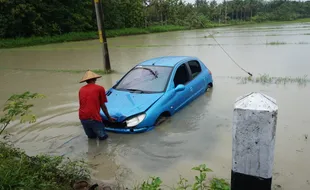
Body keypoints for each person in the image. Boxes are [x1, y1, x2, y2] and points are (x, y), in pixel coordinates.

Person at [78, 70, 115, 140]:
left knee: (91, 138)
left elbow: (82, 103)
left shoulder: (81, 89)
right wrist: (109, 117)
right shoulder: (100, 88)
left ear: (86, 81)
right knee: (103, 138)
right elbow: (103, 105)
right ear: (95, 79)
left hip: (82, 117)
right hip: (93, 118)